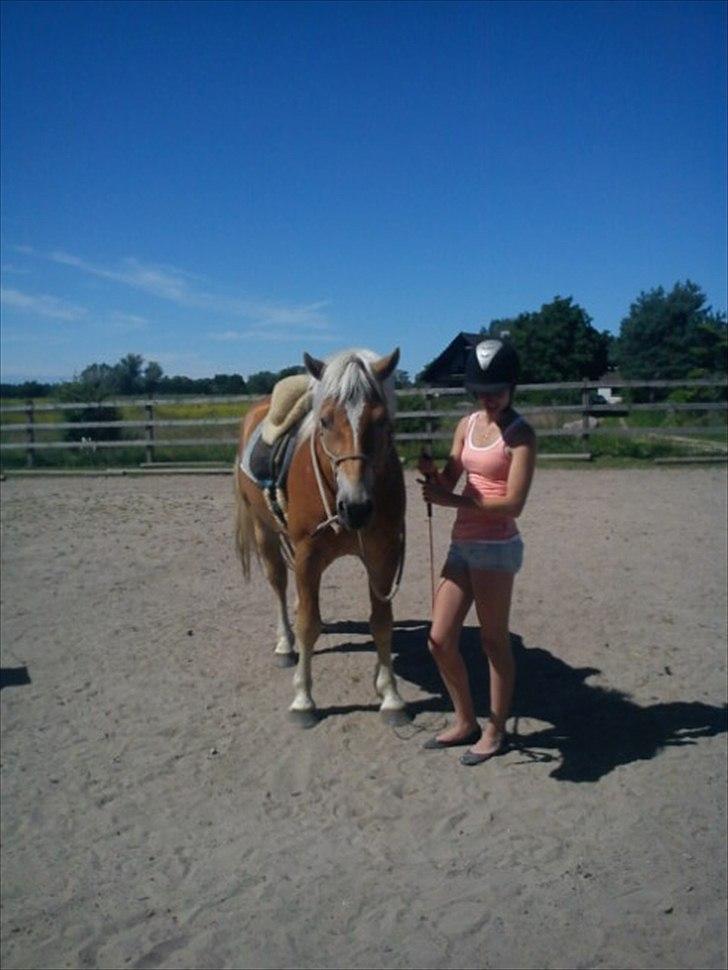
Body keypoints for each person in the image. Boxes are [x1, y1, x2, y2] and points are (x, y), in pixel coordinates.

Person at [418, 338, 536, 766]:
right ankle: (464, 719)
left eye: (497, 391)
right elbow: (450, 479)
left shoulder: (521, 435)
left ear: (512, 388)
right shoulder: (466, 425)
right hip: (462, 544)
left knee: (493, 641)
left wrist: (455, 502)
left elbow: (514, 503)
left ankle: (496, 729)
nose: (489, 399)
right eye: (482, 391)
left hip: (495, 547)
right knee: (438, 638)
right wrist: (434, 476)